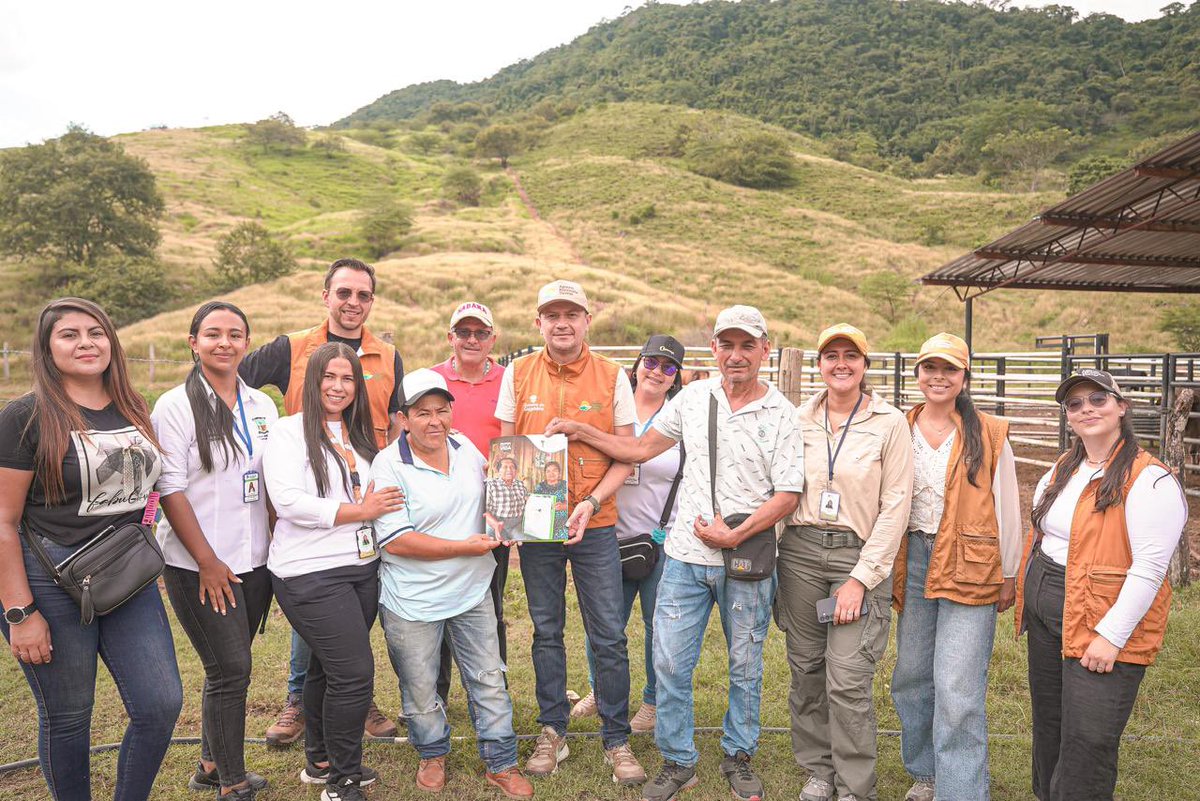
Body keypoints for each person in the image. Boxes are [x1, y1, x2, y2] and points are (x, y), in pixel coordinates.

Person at [549, 307, 804, 801]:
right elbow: (642, 449)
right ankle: (679, 760)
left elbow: (788, 494)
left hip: (745, 559)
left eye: (747, 345)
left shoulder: (781, 415)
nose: (736, 355)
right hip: (686, 558)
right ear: (714, 349)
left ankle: (738, 753)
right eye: (727, 345)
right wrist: (583, 433)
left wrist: (737, 534)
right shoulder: (692, 398)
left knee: (746, 663)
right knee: (668, 662)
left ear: (765, 350)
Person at [0, 298, 183, 801]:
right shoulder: (24, 416)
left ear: (111, 342)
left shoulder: (133, 406)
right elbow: (3, 520)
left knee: (161, 704)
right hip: (49, 581)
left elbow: (150, 491)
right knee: (68, 717)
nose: (86, 343)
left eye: (96, 332)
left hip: (125, 578)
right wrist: (20, 612)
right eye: (69, 334)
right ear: (47, 346)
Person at [240, 257, 402, 745]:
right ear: (325, 295)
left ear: (372, 301)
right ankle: (297, 701)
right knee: (313, 599)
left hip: (364, 499)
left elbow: (395, 422)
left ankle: (353, 695)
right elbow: (231, 386)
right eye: (344, 293)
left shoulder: (387, 355)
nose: (353, 303)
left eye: (363, 295)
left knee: (350, 609)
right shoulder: (291, 347)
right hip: (305, 502)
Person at [495, 279, 646, 785]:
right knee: (545, 630)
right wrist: (509, 512)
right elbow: (505, 450)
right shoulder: (517, 373)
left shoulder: (612, 376)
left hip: (596, 524)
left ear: (586, 321)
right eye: (552, 315)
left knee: (608, 633)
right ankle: (552, 731)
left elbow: (626, 455)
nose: (562, 323)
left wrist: (590, 502)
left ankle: (617, 738)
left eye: (572, 314)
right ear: (538, 322)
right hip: (538, 530)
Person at [1016, 369, 1186, 801]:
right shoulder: (1062, 468)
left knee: (1088, 738)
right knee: (1051, 726)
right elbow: (1043, 536)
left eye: (1098, 400)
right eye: (1075, 404)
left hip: (1103, 618)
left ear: (1121, 407)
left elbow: (1149, 568)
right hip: (1049, 610)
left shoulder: (1151, 479)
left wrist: (1111, 637)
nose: (1086, 409)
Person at [370, 369, 533, 799]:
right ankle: (432, 753)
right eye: (422, 413)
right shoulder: (388, 465)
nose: (434, 421)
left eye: (442, 411)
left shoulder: (466, 448)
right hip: (412, 601)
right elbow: (398, 541)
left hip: (471, 591)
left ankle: (501, 762)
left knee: (488, 679)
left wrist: (523, 519)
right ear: (404, 418)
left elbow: (501, 494)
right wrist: (464, 547)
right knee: (420, 688)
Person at [262, 342, 404, 801]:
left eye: (348, 379)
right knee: (355, 673)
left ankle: (320, 761)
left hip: (361, 568)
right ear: (313, 380)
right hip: (309, 572)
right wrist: (358, 509)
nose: (339, 387)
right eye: (330, 377)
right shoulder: (287, 434)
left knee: (327, 667)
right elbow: (287, 501)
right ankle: (343, 781)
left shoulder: (360, 435)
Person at [779, 323, 913, 801]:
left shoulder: (890, 423)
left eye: (850, 355)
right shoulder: (796, 419)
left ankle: (856, 784)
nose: (841, 363)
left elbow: (897, 505)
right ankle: (818, 769)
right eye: (831, 355)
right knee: (806, 666)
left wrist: (861, 577)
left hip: (859, 554)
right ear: (819, 364)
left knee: (848, 675)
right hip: (800, 551)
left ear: (864, 364)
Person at [888, 333, 1022, 801]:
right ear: (918, 373)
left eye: (949, 369)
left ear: (965, 377)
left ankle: (961, 789)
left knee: (958, 684)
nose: (938, 377)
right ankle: (926, 773)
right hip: (915, 558)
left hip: (972, 562)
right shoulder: (898, 426)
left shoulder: (988, 432)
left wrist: (1009, 573)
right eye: (930, 368)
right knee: (911, 675)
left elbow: (1007, 504)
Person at [153, 302, 278, 799]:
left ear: (247, 343)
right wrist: (206, 561)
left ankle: (209, 763)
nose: (224, 343)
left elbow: (270, 482)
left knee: (230, 664)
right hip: (198, 564)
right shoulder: (175, 406)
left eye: (235, 334)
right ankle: (231, 782)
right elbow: (170, 489)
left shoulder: (263, 405)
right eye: (212, 334)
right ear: (193, 342)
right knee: (231, 669)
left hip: (255, 559)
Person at [570, 335, 687, 737]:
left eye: (668, 367)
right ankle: (600, 692)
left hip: (662, 540)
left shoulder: (679, 418)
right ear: (637, 365)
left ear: (676, 377)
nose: (657, 372)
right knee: (603, 626)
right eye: (651, 362)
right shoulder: (613, 410)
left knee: (660, 628)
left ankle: (653, 702)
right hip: (607, 535)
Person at [430, 301, 509, 704]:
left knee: (490, 605)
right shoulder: (430, 380)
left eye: (481, 333)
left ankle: (495, 693)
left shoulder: (510, 381)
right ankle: (435, 695)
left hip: (492, 513)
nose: (472, 340)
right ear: (451, 338)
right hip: (440, 513)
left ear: (492, 338)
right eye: (464, 332)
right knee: (435, 606)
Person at [486, 455, 529, 539]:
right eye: (505, 467)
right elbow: (485, 511)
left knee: (530, 541)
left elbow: (527, 500)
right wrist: (495, 524)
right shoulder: (491, 485)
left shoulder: (520, 484)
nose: (509, 470)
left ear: (516, 471)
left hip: (517, 525)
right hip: (496, 522)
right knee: (497, 547)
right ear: (499, 471)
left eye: (512, 467)